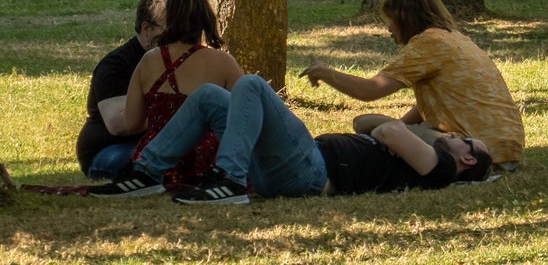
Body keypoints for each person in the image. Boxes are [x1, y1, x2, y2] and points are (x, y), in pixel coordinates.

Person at [91, 71, 490, 204]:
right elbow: (361, 121)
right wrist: (397, 135)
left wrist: (401, 132)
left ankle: (229, 182)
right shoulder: (424, 154)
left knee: (251, 85)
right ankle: (146, 172)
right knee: (211, 96)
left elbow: (383, 128)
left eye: (466, 140)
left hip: (311, 172)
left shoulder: (438, 168)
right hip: (290, 167)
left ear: (467, 160)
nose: (457, 136)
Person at [302, 0, 523, 167]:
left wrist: (323, 72)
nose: (388, 28)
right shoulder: (457, 39)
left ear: (406, 18)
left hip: (472, 148)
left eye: (390, 20)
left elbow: (369, 91)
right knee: (387, 132)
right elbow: (430, 105)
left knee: (364, 123)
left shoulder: (428, 43)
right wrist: (399, 129)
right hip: (507, 149)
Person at [88, 0, 241, 195]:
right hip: (203, 160)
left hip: (154, 161)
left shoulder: (148, 61)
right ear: (205, 20)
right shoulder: (222, 62)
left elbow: (132, 123)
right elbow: (245, 118)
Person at [77, 0, 170, 180]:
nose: (178, 37)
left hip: (153, 143)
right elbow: (119, 124)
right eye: (170, 29)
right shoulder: (115, 65)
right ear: (146, 28)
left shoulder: (176, 59)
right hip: (108, 149)